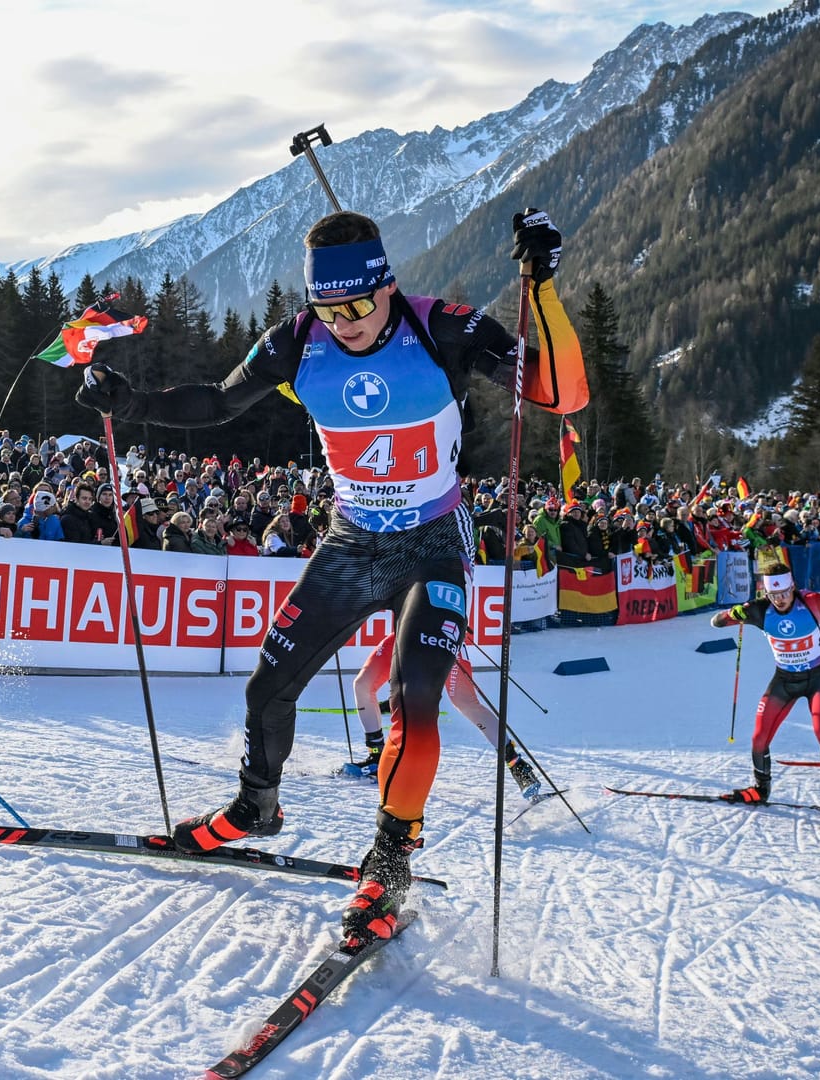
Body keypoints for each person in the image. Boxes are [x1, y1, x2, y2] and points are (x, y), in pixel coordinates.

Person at [77, 207, 583, 945]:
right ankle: (257, 808)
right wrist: (131, 404)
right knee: (268, 685)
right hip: (350, 544)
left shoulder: (443, 327)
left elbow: (558, 393)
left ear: (387, 285)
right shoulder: (296, 340)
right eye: (327, 307)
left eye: (356, 305)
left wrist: (540, 288)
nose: (343, 322)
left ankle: (390, 859)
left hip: (430, 546)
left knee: (414, 699)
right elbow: (219, 402)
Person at [710, 557, 820, 818]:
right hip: (783, 680)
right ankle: (761, 790)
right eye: (774, 594)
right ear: (765, 592)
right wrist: (733, 613)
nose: (780, 599)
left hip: (817, 678)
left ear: (793, 587)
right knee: (759, 737)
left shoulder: (813, 601)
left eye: (784, 592)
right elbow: (716, 622)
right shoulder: (759, 609)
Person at [349, 633, 543, 800]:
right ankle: (376, 756)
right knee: (362, 685)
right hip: (405, 634)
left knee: (466, 703)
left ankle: (517, 765)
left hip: (442, 635)